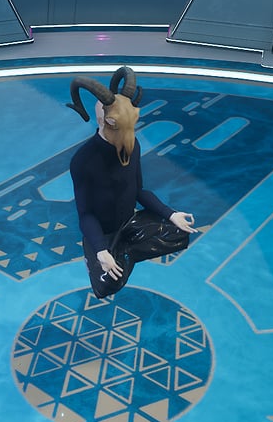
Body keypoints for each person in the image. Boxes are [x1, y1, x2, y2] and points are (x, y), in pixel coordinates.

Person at [66, 66, 197, 298]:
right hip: (104, 234)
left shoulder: (132, 145)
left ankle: (127, 251)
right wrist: (100, 250)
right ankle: (119, 253)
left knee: (179, 233)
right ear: (104, 120)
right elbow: (85, 215)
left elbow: (138, 191)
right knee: (107, 285)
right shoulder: (83, 161)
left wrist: (170, 214)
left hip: (130, 222)